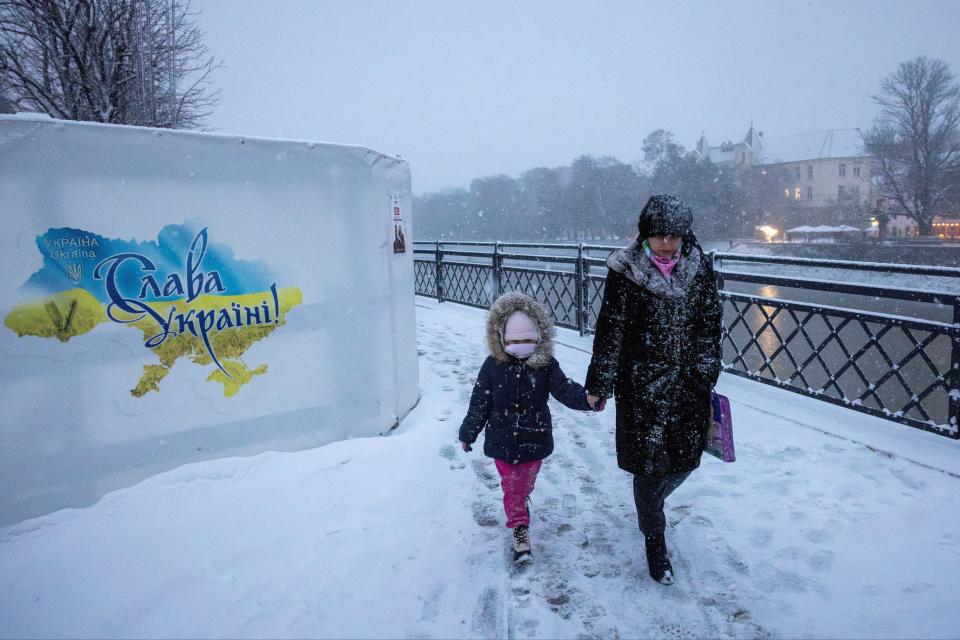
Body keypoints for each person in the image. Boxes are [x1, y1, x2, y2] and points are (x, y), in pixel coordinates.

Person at [585, 194, 722, 585]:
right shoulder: (626, 270)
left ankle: (652, 506)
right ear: (645, 234)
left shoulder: (699, 268)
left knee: (686, 458)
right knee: (647, 466)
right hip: (641, 385)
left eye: (674, 235)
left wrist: (706, 368)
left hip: (688, 384)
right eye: (659, 235)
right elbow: (610, 330)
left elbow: (710, 324)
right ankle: (654, 540)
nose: (666, 243)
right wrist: (600, 384)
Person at [459, 291, 599, 563]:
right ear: (502, 339)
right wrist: (469, 432)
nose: (520, 346)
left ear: (538, 339)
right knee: (512, 485)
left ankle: (520, 504)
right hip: (501, 437)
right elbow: (480, 402)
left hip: (535, 437)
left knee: (524, 483)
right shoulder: (492, 366)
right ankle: (519, 529)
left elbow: (563, 389)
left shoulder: (545, 365)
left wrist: (587, 399)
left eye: (527, 340)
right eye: (514, 341)